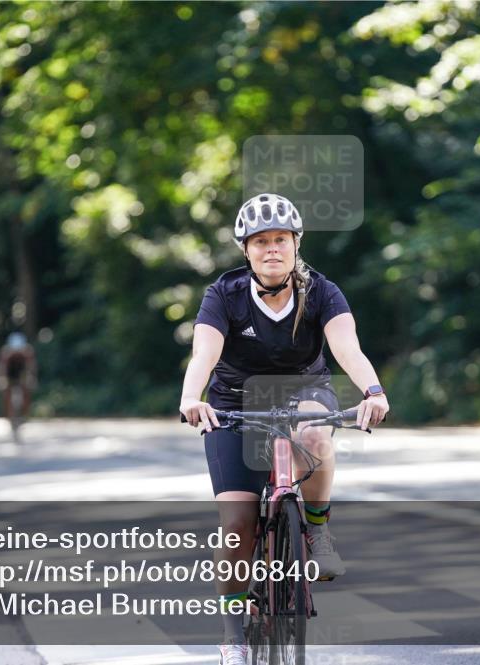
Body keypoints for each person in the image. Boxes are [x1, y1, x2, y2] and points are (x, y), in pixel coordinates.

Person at [179, 193, 390, 663]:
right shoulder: (224, 294)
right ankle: (234, 635)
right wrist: (191, 398)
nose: (271, 249)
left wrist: (373, 390)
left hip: (304, 394)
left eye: (280, 240)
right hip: (234, 404)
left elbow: (347, 349)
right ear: (245, 250)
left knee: (316, 433)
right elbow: (204, 354)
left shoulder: (322, 292)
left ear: (296, 245)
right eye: (260, 242)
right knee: (238, 529)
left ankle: (316, 530)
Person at [0, 332, 37, 421]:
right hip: (10, 373)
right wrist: (1, 378)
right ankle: (8, 415)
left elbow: (31, 366)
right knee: (6, 392)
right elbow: (1, 367)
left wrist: (31, 377)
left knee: (26, 389)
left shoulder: (28, 351)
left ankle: (25, 414)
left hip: (22, 372)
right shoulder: (5, 352)